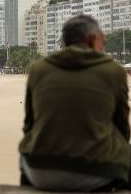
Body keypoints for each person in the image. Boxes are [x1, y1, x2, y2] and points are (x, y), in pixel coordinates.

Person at [19, 15, 131, 192]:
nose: (105, 45)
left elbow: (29, 125)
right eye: (104, 40)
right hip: (97, 173)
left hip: (39, 171)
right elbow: (123, 128)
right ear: (92, 39)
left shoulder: (38, 68)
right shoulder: (114, 71)